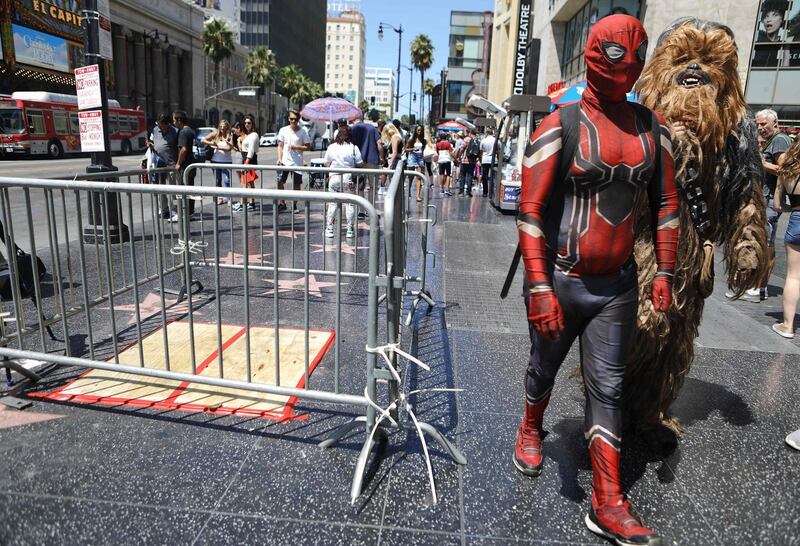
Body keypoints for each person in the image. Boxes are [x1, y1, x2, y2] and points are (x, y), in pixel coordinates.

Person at [515, 15, 678, 545]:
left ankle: (607, 501)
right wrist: (539, 286)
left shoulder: (652, 129)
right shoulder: (558, 124)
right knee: (543, 367)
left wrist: (667, 271)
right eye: (613, 52)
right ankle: (530, 426)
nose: (623, 64)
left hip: (618, 285)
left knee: (607, 385)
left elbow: (668, 204)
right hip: (561, 278)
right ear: (592, 53)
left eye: (633, 54)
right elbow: (531, 212)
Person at [746, 109, 792, 301]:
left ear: (775, 122)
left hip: (771, 201)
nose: (760, 128)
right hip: (764, 199)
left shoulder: (780, 140)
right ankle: (756, 284)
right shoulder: (771, 141)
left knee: (767, 244)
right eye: (757, 124)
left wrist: (759, 161)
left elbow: (783, 169)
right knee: (760, 241)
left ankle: (760, 287)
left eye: (763, 124)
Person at [771, 136, 800, 339]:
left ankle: (787, 326)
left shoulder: (788, 171)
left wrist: (792, 208)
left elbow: (777, 204)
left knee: (794, 276)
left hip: (797, 220)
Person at [323, 125, 363, 239]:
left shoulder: (332, 147)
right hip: (347, 179)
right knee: (350, 204)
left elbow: (326, 162)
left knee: (332, 203)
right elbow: (360, 163)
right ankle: (350, 229)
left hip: (334, 178)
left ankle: (329, 228)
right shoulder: (354, 148)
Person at [276, 109, 312, 211]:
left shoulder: (302, 132)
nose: (293, 121)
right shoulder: (283, 130)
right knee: (280, 182)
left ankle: (295, 205)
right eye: (291, 119)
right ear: (288, 119)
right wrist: (279, 158)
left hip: (297, 162)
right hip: (285, 161)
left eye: (295, 119)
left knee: (296, 184)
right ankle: (282, 203)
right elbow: (280, 146)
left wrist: (296, 147)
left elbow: (308, 147)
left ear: (298, 120)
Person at [147, 114, 178, 218]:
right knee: (160, 187)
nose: (158, 126)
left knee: (172, 189)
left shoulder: (175, 131)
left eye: (160, 125)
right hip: (158, 163)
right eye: (158, 124)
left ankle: (174, 211)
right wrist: (150, 144)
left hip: (171, 164)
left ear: (167, 124)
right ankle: (164, 209)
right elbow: (150, 140)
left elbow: (178, 147)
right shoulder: (155, 130)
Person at [172, 110, 197, 220]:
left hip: (185, 165)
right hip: (191, 165)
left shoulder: (182, 132)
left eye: (174, 120)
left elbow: (183, 149)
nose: (173, 123)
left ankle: (183, 214)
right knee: (190, 189)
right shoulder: (191, 131)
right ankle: (190, 212)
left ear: (179, 120)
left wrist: (178, 163)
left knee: (183, 190)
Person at [201, 119, 233, 204]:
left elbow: (229, 148)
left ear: (227, 127)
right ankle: (220, 198)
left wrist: (218, 147)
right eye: (221, 126)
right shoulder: (215, 134)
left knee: (227, 181)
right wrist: (211, 143)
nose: (222, 128)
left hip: (227, 162)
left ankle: (229, 198)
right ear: (219, 126)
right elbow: (203, 140)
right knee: (218, 180)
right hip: (215, 161)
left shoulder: (229, 135)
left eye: (224, 126)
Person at [234, 114, 259, 213]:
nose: (247, 124)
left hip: (249, 160)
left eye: (249, 123)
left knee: (247, 183)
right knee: (247, 182)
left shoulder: (254, 135)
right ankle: (250, 203)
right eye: (245, 123)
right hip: (245, 159)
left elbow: (251, 150)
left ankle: (248, 203)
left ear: (252, 124)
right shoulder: (246, 135)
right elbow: (242, 149)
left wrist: (246, 163)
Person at [352, 115, 382, 198]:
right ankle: (371, 208)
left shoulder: (353, 129)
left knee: (359, 186)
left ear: (353, 120)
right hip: (372, 160)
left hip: (358, 162)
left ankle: (360, 208)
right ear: (362, 119)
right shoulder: (372, 128)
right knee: (373, 187)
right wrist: (381, 157)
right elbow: (379, 143)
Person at [405, 125, 426, 202]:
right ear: (415, 131)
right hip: (412, 157)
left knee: (419, 177)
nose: (419, 132)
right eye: (418, 130)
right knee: (411, 177)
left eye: (421, 130)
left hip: (420, 158)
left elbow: (424, 150)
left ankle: (417, 196)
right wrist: (413, 149)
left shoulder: (424, 140)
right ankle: (409, 191)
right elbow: (406, 149)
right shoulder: (411, 140)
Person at [456, 129, 479, 197]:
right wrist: (479, 159)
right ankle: (468, 192)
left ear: (470, 132)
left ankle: (461, 192)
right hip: (473, 161)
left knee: (462, 176)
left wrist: (459, 157)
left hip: (465, 160)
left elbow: (462, 149)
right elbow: (480, 151)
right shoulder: (477, 140)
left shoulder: (466, 139)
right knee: (470, 176)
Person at [479, 128, 496, 196]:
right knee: (492, 176)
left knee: (484, 176)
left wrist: (480, 159)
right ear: (492, 133)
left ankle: (485, 192)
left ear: (486, 133)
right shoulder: (495, 140)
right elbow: (499, 150)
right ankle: (491, 191)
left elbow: (481, 151)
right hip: (493, 160)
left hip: (485, 160)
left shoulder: (483, 140)